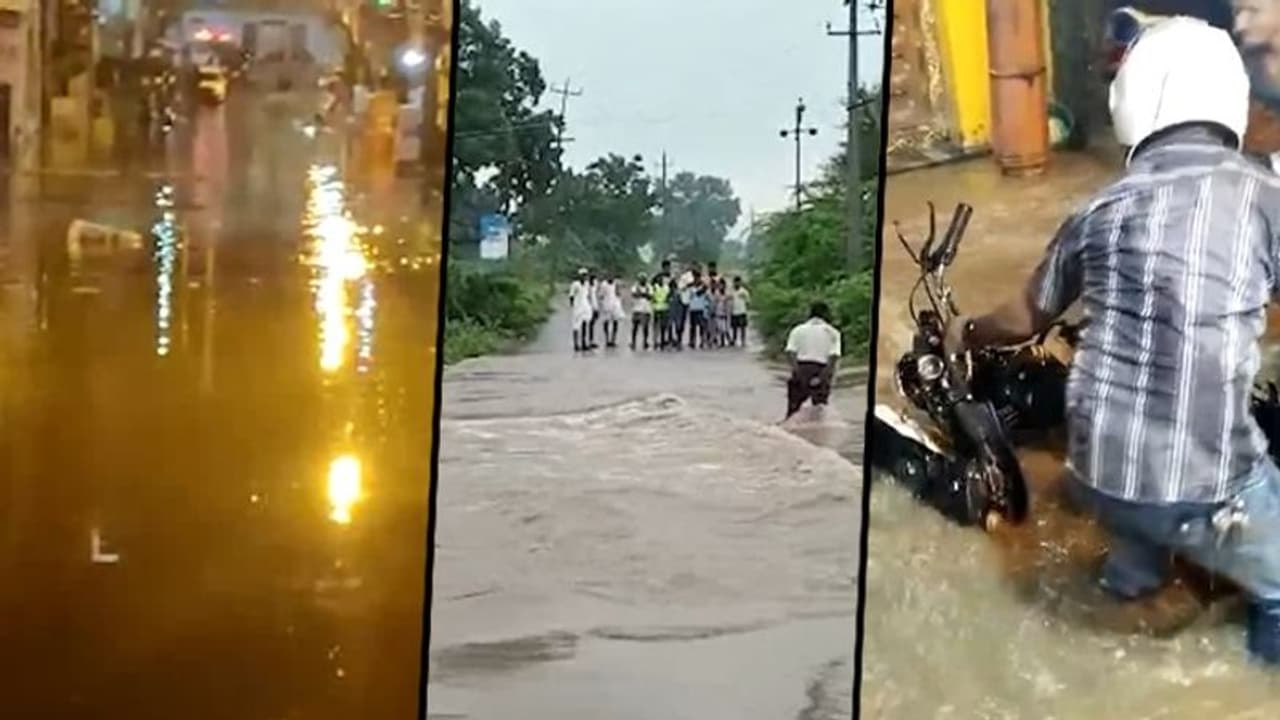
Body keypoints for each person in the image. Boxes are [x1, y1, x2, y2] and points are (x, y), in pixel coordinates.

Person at [945, 17, 1280, 664]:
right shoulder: (1263, 195)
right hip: (1205, 484)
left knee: (1142, 526)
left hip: (1099, 470)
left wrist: (967, 328)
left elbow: (1022, 317)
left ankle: (1131, 578)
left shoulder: (1098, 210)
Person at [784, 302, 841, 418]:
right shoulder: (833, 333)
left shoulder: (797, 330)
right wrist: (822, 377)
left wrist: (797, 372)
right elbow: (833, 358)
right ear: (825, 314)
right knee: (819, 412)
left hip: (801, 368)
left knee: (792, 411)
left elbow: (790, 352)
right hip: (821, 369)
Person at [568, 268, 594, 352]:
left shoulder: (587, 284)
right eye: (583, 275)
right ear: (579, 275)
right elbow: (571, 295)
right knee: (576, 325)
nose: (584, 277)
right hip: (577, 306)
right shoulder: (575, 284)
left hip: (585, 306)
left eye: (585, 275)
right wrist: (572, 305)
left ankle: (583, 343)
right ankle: (576, 344)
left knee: (584, 324)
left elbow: (588, 295)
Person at [600, 274, 626, 348]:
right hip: (607, 306)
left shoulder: (615, 284)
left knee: (615, 322)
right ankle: (607, 339)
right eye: (609, 277)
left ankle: (613, 340)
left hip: (615, 306)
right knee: (606, 323)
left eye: (612, 277)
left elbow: (618, 293)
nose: (611, 279)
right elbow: (601, 295)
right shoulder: (604, 285)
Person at [630, 273, 652, 350]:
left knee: (645, 328)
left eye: (644, 278)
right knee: (635, 327)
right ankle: (633, 342)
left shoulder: (649, 286)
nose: (643, 280)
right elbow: (634, 294)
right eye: (641, 278)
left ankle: (645, 342)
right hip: (637, 309)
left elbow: (650, 296)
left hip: (646, 309)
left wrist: (641, 294)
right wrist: (644, 294)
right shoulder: (635, 286)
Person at [687, 279, 710, 349]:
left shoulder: (704, 289)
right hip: (693, 309)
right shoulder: (691, 289)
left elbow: (705, 292)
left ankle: (702, 341)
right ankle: (692, 342)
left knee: (701, 327)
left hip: (700, 309)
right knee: (692, 327)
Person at [650, 275, 670, 349]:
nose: (660, 280)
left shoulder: (666, 287)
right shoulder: (655, 287)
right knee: (656, 326)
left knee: (663, 326)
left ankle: (662, 340)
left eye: (661, 279)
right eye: (659, 279)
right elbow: (652, 296)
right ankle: (655, 341)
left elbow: (668, 296)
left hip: (664, 308)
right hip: (656, 308)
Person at [731, 276, 751, 347]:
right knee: (734, 327)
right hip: (734, 311)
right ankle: (734, 340)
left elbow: (748, 301)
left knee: (743, 327)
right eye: (735, 282)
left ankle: (743, 340)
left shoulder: (744, 291)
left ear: (740, 283)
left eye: (738, 282)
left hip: (742, 311)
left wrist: (746, 309)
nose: (737, 284)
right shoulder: (731, 291)